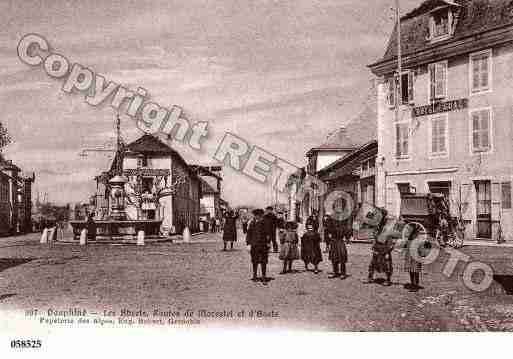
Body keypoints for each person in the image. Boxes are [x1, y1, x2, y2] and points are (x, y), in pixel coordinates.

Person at [246, 209, 271, 284]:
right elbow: (249, 234)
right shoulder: (252, 223)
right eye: (256, 215)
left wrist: (268, 242)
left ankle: (263, 277)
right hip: (254, 245)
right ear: (255, 216)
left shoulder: (265, 223)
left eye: (259, 215)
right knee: (254, 261)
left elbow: (268, 234)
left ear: (261, 215)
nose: (258, 217)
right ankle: (254, 275)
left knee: (263, 261)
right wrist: (248, 243)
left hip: (263, 245)